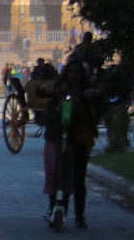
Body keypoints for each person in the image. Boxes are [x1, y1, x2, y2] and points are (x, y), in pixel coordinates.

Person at [41, 55, 102, 229]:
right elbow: (48, 109)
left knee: (79, 178)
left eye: (77, 72)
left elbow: (100, 91)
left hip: (80, 137)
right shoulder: (59, 89)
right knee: (61, 176)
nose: (74, 75)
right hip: (62, 138)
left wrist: (89, 95)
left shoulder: (88, 89)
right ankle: (58, 210)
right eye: (71, 72)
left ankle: (80, 215)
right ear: (66, 73)